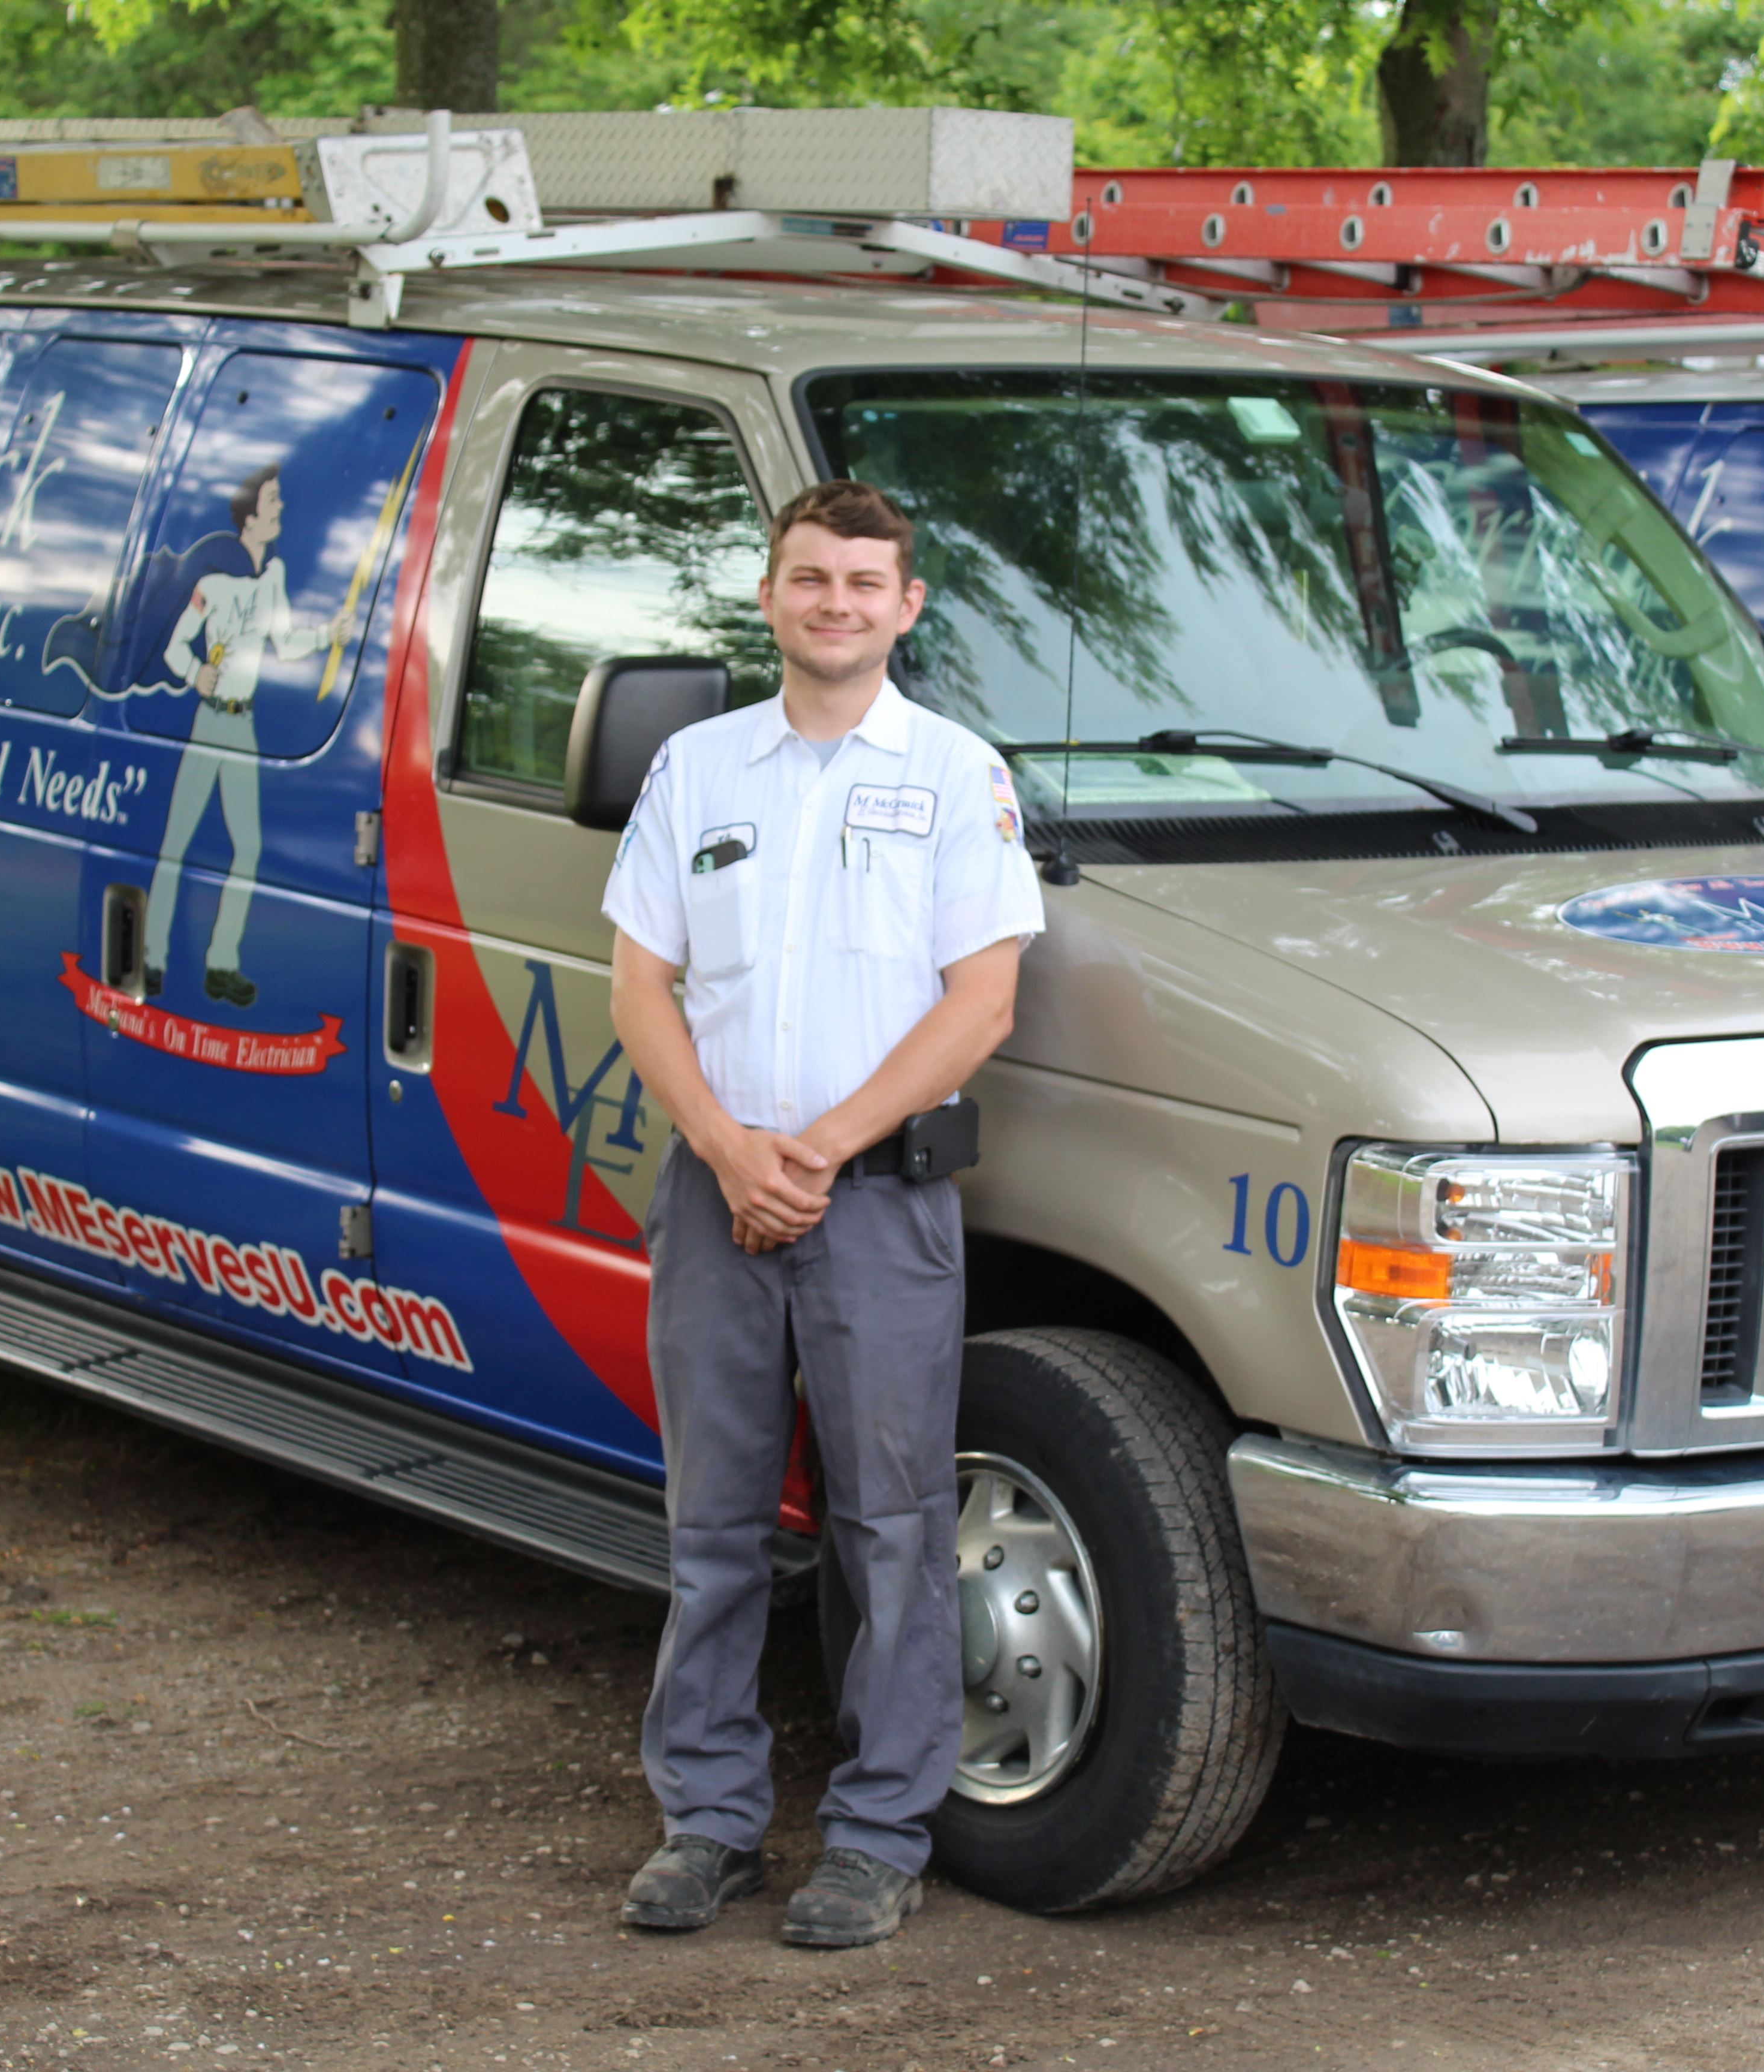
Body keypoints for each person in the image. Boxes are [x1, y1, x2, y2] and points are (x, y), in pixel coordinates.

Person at [601, 479, 1044, 1949]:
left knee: (892, 1528)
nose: (835, 602)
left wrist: (818, 1150)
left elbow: (981, 1002)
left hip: (878, 1205)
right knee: (711, 1525)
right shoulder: (695, 768)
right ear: (769, 591)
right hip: (714, 1192)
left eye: (864, 581)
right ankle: (710, 1818)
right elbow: (636, 983)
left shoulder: (959, 773)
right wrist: (728, 1150)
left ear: (906, 607)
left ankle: (873, 1832)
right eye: (810, 577)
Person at [141, 465, 355, 1008]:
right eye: (274, 501)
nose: (281, 509)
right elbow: (174, 647)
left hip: (244, 726)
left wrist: (328, 634)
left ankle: (222, 963)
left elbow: (283, 645)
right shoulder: (212, 581)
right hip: (209, 719)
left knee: (249, 847)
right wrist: (196, 675)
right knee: (176, 843)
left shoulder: (275, 578)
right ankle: (152, 957)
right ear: (251, 514)